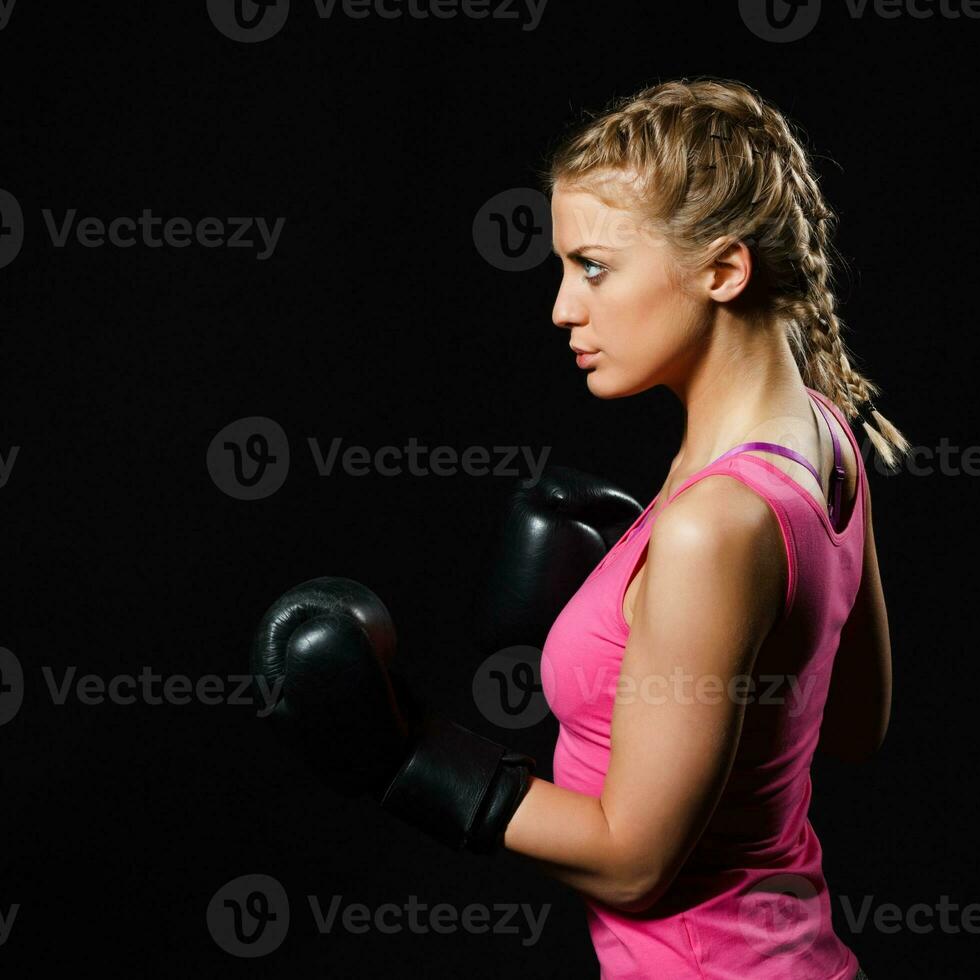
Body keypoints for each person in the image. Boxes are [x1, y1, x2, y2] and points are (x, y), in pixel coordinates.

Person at [252, 76, 906, 979]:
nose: (564, 307)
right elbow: (854, 723)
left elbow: (634, 864)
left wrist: (405, 753)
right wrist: (647, 615)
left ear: (723, 269)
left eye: (593, 266)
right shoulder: (823, 440)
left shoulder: (713, 528)